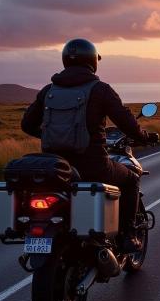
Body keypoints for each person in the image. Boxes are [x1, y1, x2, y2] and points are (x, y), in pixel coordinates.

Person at [21, 38, 151, 252]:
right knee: (131, 178)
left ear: (65, 61)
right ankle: (128, 234)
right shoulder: (100, 90)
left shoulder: (48, 90)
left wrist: (51, 135)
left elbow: (27, 124)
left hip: (56, 169)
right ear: (92, 61)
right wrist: (144, 136)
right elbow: (126, 122)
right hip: (93, 167)